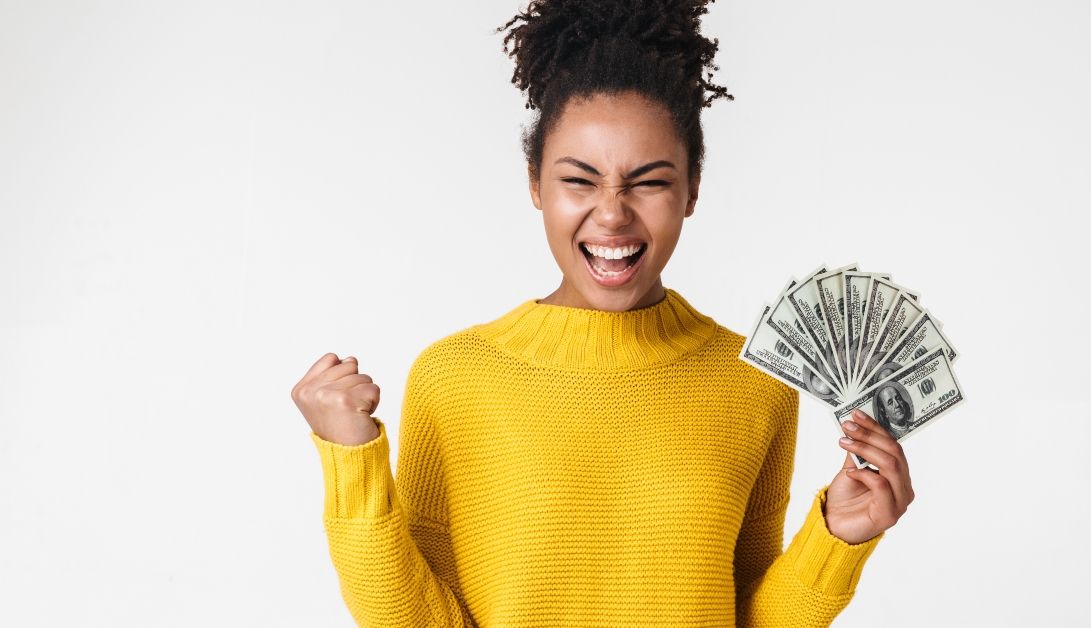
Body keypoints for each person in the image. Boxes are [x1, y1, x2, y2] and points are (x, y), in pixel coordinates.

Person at [291, 1, 915, 626]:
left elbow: (748, 613)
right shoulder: (454, 379)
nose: (613, 213)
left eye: (648, 181)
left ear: (692, 188)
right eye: (580, 181)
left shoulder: (753, 383)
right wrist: (351, 457)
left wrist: (839, 537)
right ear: (536, 183)